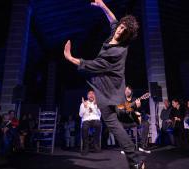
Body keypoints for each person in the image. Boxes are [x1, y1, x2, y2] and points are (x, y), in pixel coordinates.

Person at [63, 0, 143, 168]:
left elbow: (92, 65)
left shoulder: (117, 51)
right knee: (115, 125)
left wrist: (70, 58)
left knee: (114, 124)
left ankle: (136, 159)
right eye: (121, 27)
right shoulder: (115, 32)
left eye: (123, 30)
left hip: (109, 89)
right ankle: (135, 162)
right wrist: (102, 5)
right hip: (108, 86)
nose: (119, 30)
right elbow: (112, 20)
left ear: (127, 35)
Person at [79, 90, 102, 155]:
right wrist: (85, 107)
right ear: (87, 96)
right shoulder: (83, 103)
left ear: (95, 96)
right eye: (89, 94)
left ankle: (96, 146)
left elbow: (100, 115)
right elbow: (80, 115)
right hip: (86, 120)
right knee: (85, 127)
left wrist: (95, 106)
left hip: (95, 120)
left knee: (98, 125)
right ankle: (86, 148)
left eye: (93, 94)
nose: (91, 95)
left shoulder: (97, 103)